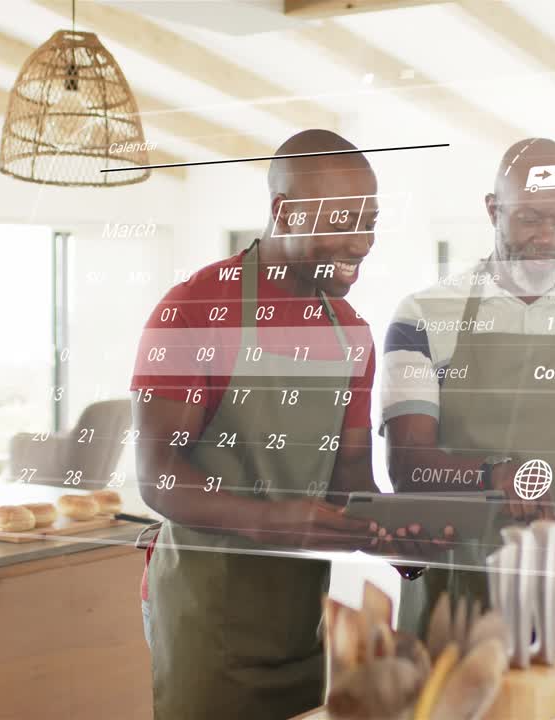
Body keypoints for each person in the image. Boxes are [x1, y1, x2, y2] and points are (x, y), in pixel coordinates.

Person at [132, 129, 385, 720]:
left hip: (300, 622)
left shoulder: (352, 332)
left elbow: (350, 477)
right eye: (342, 220)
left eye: (369, 221)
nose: (361, 242)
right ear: (283, 211)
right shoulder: (194, 310)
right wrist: (273, 521)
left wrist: (404, 528)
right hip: (206, 619)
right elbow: (157, 476)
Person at [381, 138, 555, 632]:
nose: (549, 238)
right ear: (493, 210)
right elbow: (408, 466)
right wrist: (493, 474)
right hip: (451, 606)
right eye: (531, 218)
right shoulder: (425, 315)